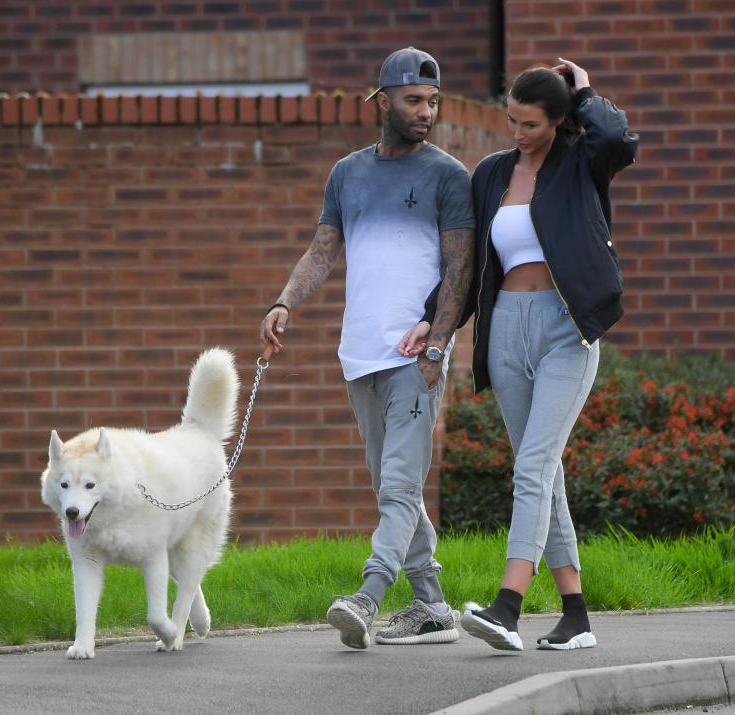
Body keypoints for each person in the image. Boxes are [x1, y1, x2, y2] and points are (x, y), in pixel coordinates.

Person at [403, 58, 639, 651]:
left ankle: (508, 605)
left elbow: (616, 136)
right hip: (506, 330)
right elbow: (467, 263)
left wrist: (584, 91)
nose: (518, 133)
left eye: (530, 124)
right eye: (511, 120)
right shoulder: (492, 174)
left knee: (531, 467)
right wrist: (435, 321)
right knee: (544, 472)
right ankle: (576, 615)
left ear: (560, 121)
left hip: (566, 331)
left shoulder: (584, 161)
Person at [260, 47, 475, 650]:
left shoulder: (448, 175)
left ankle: (368, 594)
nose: (426, 111)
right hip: (359, 355)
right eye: (414, 100)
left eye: (433, 101)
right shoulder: (347, 173)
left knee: (402, 486)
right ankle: (432, 607)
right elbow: (323, 250)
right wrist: (283, 303)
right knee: (389, 488)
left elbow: (460, 271)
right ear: (382, 101)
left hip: (415, 356)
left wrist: (437, 345)